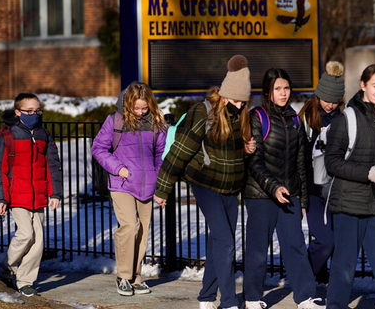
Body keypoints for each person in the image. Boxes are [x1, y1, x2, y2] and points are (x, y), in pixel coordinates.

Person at [154, 55, 255, 309]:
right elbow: (180, 151)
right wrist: (163, 189)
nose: (239, 106)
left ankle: (206, 297)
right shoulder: (202, 112)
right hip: (205, 184)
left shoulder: (243, 116)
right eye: (234, 100)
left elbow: (233, 153)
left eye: (243, 102)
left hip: (231, 188)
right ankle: (229, 302)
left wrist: (247, 149)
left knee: (219, 242)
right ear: (224, 94)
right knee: (225, 241)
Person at [324, 64, 375, 309]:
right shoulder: (346, 118)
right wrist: (367, 173)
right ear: (363, 86)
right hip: (348, 204)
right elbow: (332, 163)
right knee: (344, 265)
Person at [243, 68, 323, 309]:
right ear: (268, 91)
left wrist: (303, 202)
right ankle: (252, 298)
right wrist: (274, 187)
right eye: (278, 89)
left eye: (286, 88)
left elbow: (301, 162)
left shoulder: (295, 119)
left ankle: (306, 296)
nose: (283, 93)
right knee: (258, 249)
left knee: (295, 245)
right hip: (260, 193)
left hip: (289, 194)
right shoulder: (257, 116)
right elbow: (253, 162)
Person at [92, 82, 167, 296]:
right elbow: (98, 148)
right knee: (129, 227)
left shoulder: (156, 123)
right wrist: (118, 168)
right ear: (128, 103)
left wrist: (159, 185)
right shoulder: (114, 121)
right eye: (137, 108)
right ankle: (123, 276)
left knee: (142, 232)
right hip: (122, 183)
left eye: (145, 108)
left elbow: (160, 155)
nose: (141, 112)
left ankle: (136, 277)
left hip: (147, 185)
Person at [0, 93, 63, 297]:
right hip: (16, 196)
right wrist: (1, 198)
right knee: (25, 235)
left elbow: (53, 166)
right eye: (29, 111)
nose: (34, 114)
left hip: (39, 196)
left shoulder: (44, 134)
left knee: (38, 242)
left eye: (37, 110)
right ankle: (5, 269)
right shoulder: (8, 135)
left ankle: (25, 281)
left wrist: (55, 193)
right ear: (18, 112)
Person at [298, 61, 345, 284]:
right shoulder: (305, 120)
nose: (330, 105)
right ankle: (305, 277)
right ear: (318, 96)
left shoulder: (345, 120)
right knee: (326, 240)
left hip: (337, 191)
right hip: (313, 191)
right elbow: (297, 158)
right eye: (326, 99)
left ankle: (323, 276)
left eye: (335, 101)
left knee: (338, 241)